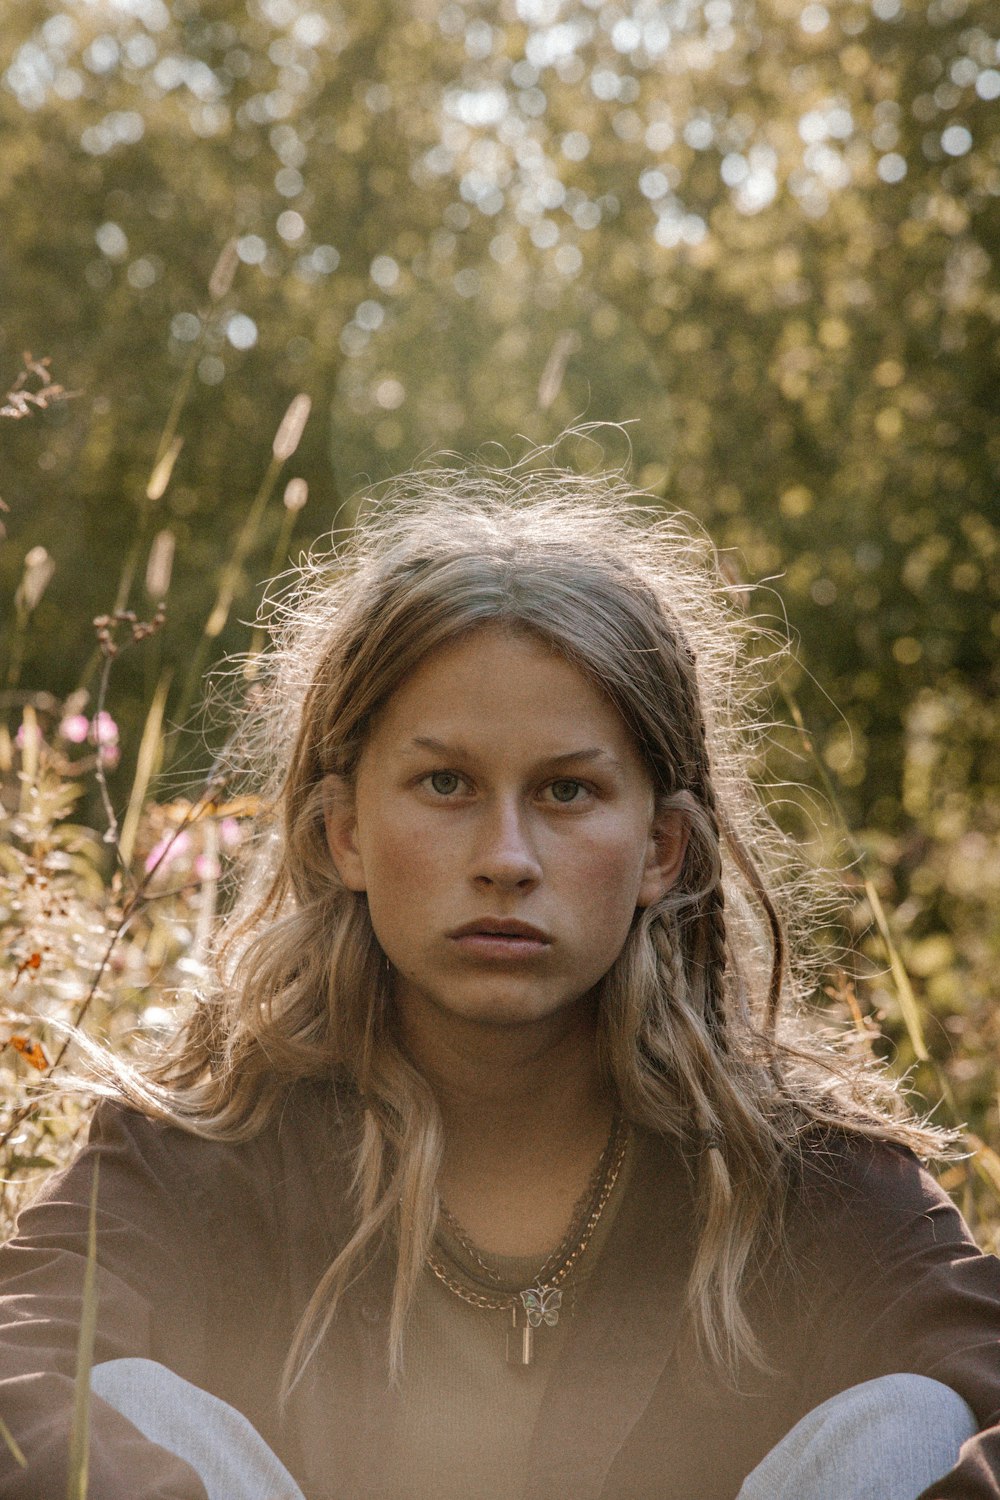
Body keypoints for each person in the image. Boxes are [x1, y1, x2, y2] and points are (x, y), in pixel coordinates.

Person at [1, 460, 998, 1500]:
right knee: (120, 1400)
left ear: (660, 848)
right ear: (345, 831)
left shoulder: (802, 1180)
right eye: (446, 784)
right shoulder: (205, 1152)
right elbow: (17, 1364)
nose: (506, 857)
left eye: (567, 790)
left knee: (912, 1422)